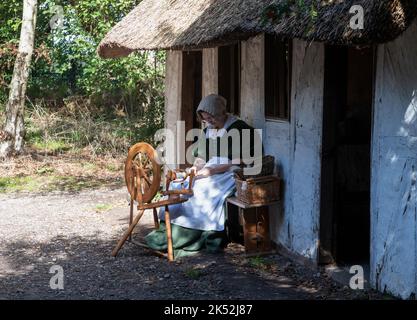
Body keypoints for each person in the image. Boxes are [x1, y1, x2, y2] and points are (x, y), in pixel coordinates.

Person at [145, 94, 260, 258]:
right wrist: (195, 168)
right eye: (206, 119)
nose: (209, 122)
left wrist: (212, 171)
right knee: (180, 184)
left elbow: (243, 160)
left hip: (230, 173)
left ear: (221, 113)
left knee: (200, 192)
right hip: (210, 169)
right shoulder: (208, 131)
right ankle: (166, 232)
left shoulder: (240, 129)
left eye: (211, 118)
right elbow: (201, 157)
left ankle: (190, 238)